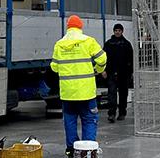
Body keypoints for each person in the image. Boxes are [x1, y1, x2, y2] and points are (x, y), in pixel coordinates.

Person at [51, 15, 107, 157]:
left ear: (68, 27)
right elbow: (102, 58)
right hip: (86, 93)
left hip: (67, 93)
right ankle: (86, 151)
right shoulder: (88, 41)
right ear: (80, 26)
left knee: (70, 121)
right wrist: (99, 70)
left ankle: (71, 150)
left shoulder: (59, 44)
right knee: (89, 120)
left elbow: (54, 67)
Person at [102, 23, 133, 122]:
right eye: (116, 30)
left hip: (124, 74)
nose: (117, 32)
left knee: (123, 94)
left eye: (119, 30)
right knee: (112, 94)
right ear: (114, 31)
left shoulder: (126, 44)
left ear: (122, 31)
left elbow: (131, 59)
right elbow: (103, 58)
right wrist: (103, 70)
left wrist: (130, 72)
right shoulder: (108, 44)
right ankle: (111, 114)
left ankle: (122, 113)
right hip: (111, 73)